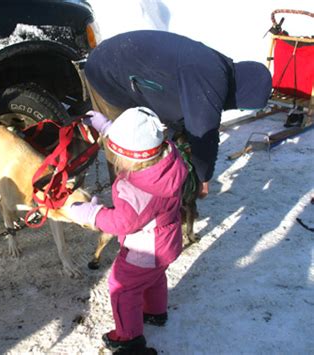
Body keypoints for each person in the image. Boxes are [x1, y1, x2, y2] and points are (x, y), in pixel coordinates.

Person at [84, 30, 273, 198]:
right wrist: (203, 178)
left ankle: (149, 198)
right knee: (127, 143)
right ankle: (128, 210)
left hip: (132, 69)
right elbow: (203, 133)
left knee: (148, 143)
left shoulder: (219, 70)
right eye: (242, 106)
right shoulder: (210, 77)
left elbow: (178, 106)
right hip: (108, 71)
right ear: (243, 94)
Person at [69, 107, 188, 354]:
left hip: (142, 249)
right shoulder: (168, 159)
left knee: (122, 288)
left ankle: (128, 338)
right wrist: (105, 126)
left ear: (130, 159)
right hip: (167, 241)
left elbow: (123, 223)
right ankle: (155, 312)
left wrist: (90, 213)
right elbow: (138, 142)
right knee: (155, 277)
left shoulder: (137, 190)